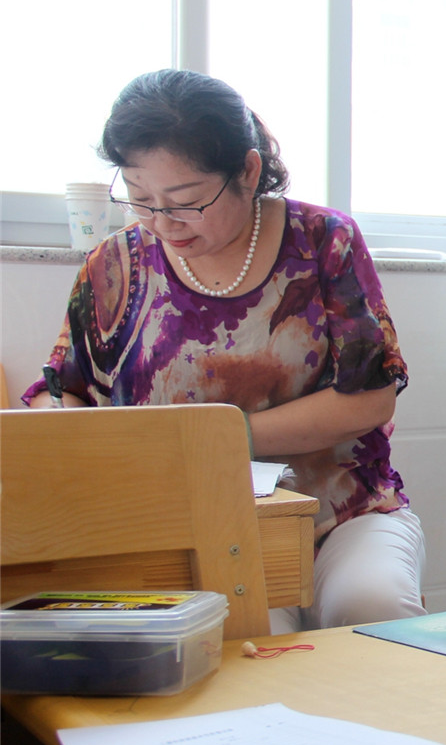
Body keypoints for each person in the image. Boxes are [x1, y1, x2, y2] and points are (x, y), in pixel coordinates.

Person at [23, 69, 425, 635]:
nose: (163, 223)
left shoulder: (322, 242)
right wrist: (81, 440)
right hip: (189, 524)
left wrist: (209, 439)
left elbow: (368, 401)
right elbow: (58, 389)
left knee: (372, 614)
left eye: (186, 202)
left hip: (339, 514)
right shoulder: (114, 267)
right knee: (248, 642)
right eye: (140, 200)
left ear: (248, 170)